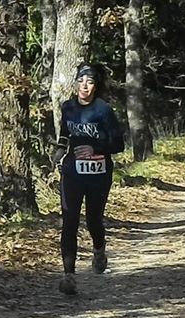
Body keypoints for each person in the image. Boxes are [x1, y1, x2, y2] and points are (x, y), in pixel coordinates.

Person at [53, 62, 125, 295]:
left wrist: (96, 148)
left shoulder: (103, 110)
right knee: (70, 219)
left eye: (90, 82)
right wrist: (58, 152)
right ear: (75, 83)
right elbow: (64, 136)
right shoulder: (68, 108)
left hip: (99, 174)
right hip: (72, 172)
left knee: (94, 219)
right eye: (81, 81)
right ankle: (69, 276)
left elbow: (119, 144)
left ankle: (99, 249)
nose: (85, 86)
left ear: (96, 86)